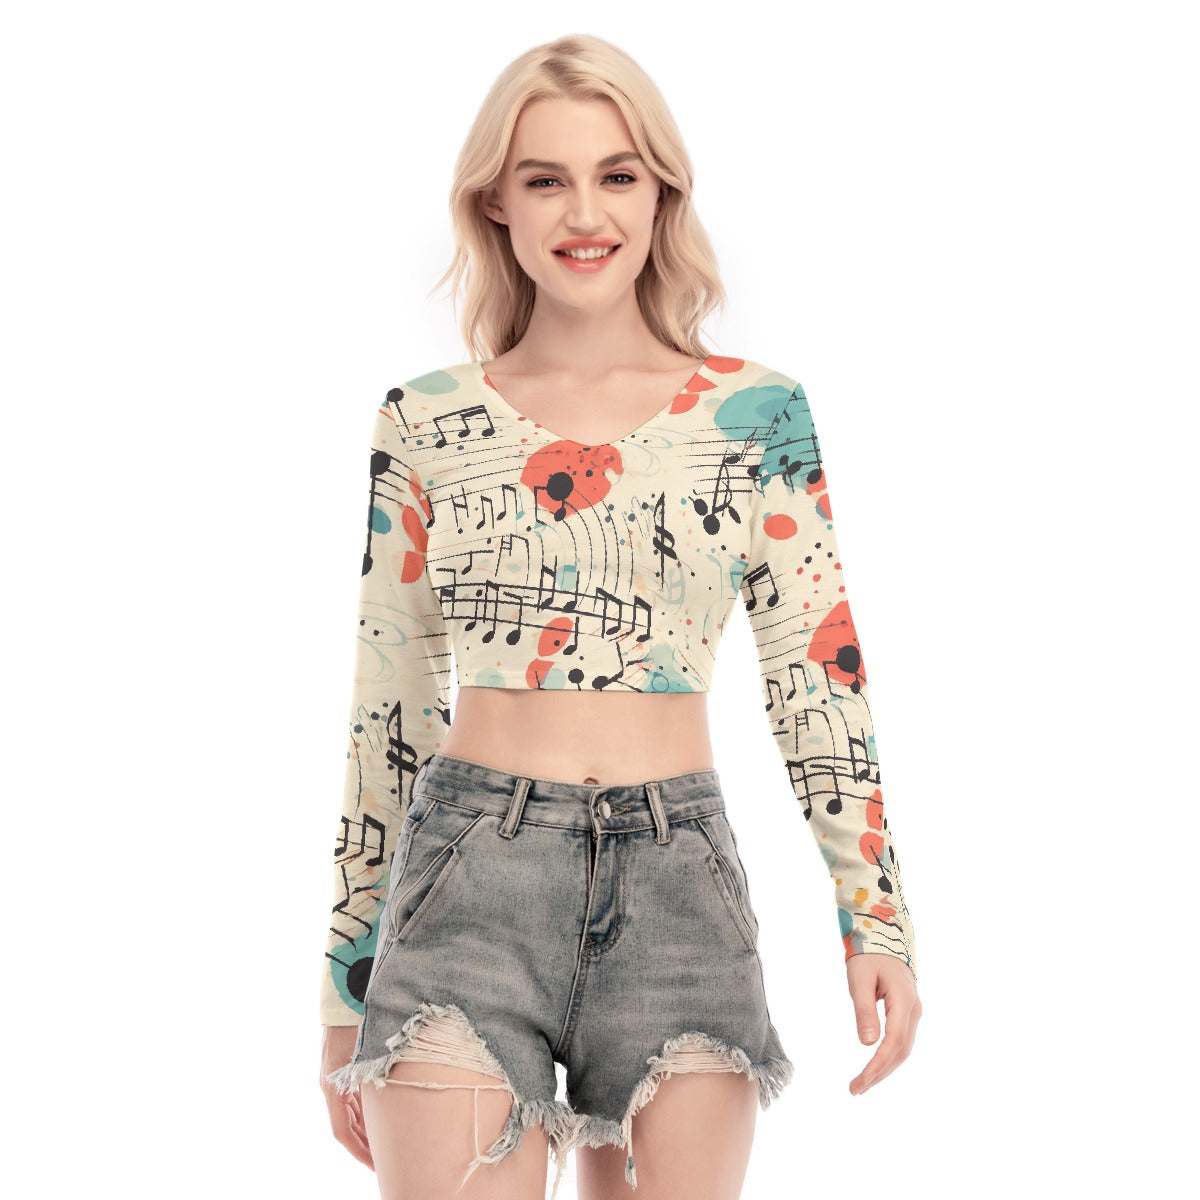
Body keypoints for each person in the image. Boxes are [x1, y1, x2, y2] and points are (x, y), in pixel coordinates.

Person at [318, 33, 921, 1200]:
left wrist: (876, 921)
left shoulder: (757, 415)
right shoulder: (427, 420)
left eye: (617, 175)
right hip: (465, 892)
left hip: (679, 893)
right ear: (496, 201)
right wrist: (344, 984)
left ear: (661, 194)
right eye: (545, 177)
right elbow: (387, 703)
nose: (584, 212)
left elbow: (818, 679)